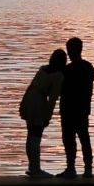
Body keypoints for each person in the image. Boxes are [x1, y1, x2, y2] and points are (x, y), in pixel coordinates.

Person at [20, 48, 66, 178]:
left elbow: (31, 85)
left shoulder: (42, 69)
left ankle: (32, 167)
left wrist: (23, 103)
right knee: (36, 135)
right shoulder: (58, 76)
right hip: (38, 102)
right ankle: (36, 169)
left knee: (30, 134)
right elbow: (52, 99)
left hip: (29, 97)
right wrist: (48, 116)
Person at [58, 36, 94, 178]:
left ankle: (72, 168)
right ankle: (86, 169)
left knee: (71, 139)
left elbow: (61, 89)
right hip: (82, 109)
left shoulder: (67, 70)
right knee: (83, 138)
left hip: (70, 110)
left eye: (69, 50)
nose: (68, 53)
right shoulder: (88, 67)